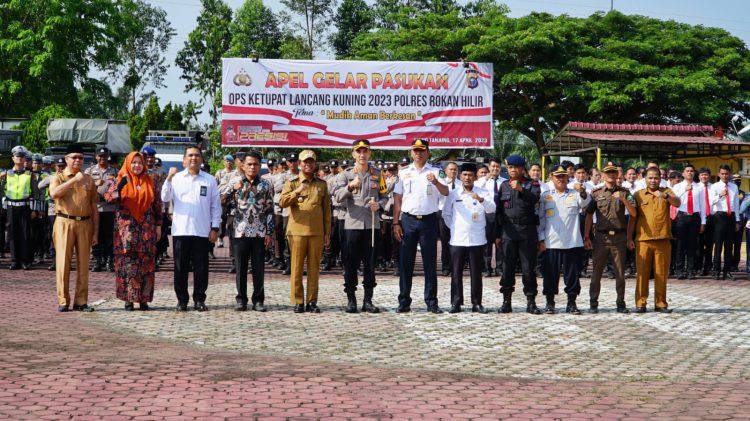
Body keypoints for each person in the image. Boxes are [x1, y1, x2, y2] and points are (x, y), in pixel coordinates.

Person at [161, 146, 221, 312]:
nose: (193, 158)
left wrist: (215, 227)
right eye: (190, 155)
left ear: (201, 159)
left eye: (196, 155)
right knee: (180, 268)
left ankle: (199, 299)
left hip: (202, 231)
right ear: (184, 160)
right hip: (181, 231)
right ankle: (182, 300)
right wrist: (169, 178)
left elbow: (215, 206)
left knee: (201, 268)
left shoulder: (209, 180)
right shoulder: (177, 178)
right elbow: (164, 197)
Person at [392, 139, 449, 314]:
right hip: (408, 220)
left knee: (430, 262)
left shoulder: (436, 171)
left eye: (421, 150)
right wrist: (396, 222)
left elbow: (446, 191)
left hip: (429, 221)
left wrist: (436, 183)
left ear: (427, 152)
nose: (418, 153)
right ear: (411, 153)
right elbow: (397, 198)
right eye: (415, 150)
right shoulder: (403, 172)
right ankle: (404, 301)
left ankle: (431, 301)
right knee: (405, 263)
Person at [103, 152, 163, 311]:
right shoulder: (121, 178)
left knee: (146, 264)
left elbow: (157, 204)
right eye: (134, 163)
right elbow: (109, 197)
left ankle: (144, 299)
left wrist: (158, 226)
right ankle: (128, 300)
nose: (137, 166)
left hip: (146, 230)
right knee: (127, 264)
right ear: (128, 163)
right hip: (126, 231)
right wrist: (121, 185)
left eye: (140, 163)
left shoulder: (150, 180)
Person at [334, 140, 388, 313]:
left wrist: (379, 205)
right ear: (353, 154)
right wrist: (350, 186)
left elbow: (385, 196)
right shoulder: (346, 175)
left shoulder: (378, 174)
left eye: (365, 151)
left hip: (372, 225)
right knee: (350, 264)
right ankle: (351, 299)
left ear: (370, 153)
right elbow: (337, 197)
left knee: (370, 264)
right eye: (359, 151)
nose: (362, 154)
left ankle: (368, 301)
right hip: (352, 224)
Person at [49, 144, 99, 312]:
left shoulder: (89, 179)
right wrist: (73, 180)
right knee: (63, 262)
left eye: (81, 157)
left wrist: (96, 231)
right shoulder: (58, 177)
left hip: (85, 223)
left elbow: (94, 206)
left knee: (84, 264)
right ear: (66, 159)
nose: (78, 160)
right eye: (74, 157)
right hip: (64, 222)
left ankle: (81, 301)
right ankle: (63, 300)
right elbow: (54, 194)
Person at [280, 150, 331, 313]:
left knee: (314, 268)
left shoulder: (322, 184)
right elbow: (282, 202)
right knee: (296, 267)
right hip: (296, 231)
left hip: (316, 232)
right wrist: (297, 191)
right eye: (305, 162)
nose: (308, 164)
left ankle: (312, 301)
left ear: (315, 164)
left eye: (311, 162)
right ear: (299, 164)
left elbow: (326, 211)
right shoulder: (292, 182)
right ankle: (298, 301)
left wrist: (327, 233)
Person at [222, 151, 274, 312]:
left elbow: (270, 209)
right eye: (249, 164)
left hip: (259, 231)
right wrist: (232, 190)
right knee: (240, 267)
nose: (252, 167)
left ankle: (258, 300)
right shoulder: (235, 182)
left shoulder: (266, 185)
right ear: (242, 165)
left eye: (256, 164)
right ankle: (241, 299)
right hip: (240, 231)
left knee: (259, 268)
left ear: (260, 166)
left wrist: (269, 232)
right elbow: (221, 200)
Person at [441, 162, 495, 313]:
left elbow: (492, 209)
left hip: (477, 238)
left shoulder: (483, 192)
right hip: (458, 238)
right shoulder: (453, 194)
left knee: (476, 273)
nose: (467, 178)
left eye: (470, 175)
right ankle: (456, 302)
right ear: (460, 176)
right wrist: (455, 228)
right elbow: (446, 214)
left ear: (475, 176)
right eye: (464, 175)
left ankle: (477, 303)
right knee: (456, 272)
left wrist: (481, 199)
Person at [539, 164, 590, 315]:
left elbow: (585, 203)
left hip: (572, 243)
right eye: (557, 176)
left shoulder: (575, 194)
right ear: (551, 178)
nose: (561, 179)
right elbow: (541, 220)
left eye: (563, 176)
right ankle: (549, 303)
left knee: (572, 276)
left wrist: (582, 191)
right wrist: (540, 239)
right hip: (551, 243)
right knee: (550, 275)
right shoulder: (546, 196)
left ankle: (572, 303)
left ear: (568, 177)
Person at [584, 164, 636, 314]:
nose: (611, 174)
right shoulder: (596, 193)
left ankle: (620, 302)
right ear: (603, 175)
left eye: (614, 172)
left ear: (618, 174)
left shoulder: (625, 192)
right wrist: (587, 236)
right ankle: (593, 303)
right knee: (597, 272)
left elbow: (633, 214)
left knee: (620, 273)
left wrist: (624, 200)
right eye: (608, 172)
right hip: (601, 237)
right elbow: (588, 215)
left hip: (619, 237)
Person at [494, 154, 542, 314]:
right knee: (507, 268)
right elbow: (499, 211)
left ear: (522, 169)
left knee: (528, 268)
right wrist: (497, 234)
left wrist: (521, 189)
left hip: (527, 232)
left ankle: (531, 301)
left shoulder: (531, 184)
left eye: (515, 167)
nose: (512, 170)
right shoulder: (503, 185)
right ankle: (506, 301)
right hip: (508, 232)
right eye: (509, 167)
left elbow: (535, 199)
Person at [629, 167, 680, 313]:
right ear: (644, 179)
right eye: (650, 178)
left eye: (656, 178)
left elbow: (677, 203)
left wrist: (664, 196)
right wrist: (629, 237)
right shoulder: (638, 195)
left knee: (661, 273)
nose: (653, 180)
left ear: (660, 179)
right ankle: (640, 303)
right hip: (643, 240)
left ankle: (661, 303)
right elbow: (633, 218)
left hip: (663, 239)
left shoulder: (667, 191)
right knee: (642, 273)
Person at [2, 146, 39, 270]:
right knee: (12, 234)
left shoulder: (30, 175)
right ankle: (14, 260)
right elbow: (2, 192)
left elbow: (35, 194)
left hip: (24, 207)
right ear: (13, 158)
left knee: (25, 233)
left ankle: (24, 260)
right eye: (17, 156)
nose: (19, 158)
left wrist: (34, 210)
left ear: (24, 159)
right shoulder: (6, 174)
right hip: (11, 207)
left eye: (22, 157)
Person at [85, 147, 118, 272]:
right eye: (100, 156)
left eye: (104, 156)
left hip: (110, 208)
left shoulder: (114, 170)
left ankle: (110, 260)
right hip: (95, 208)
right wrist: (95, 184)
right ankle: (97, 260)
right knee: (96, 235)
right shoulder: (90, 171)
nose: (102, 158)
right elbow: (84, 186)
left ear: (108, 156)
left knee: (110, 236)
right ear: (96, 156)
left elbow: (119, 186)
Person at [670, 164, 705, 279]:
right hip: (682, 217)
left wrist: (703, 222)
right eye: (687, 171)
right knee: (680, 245)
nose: (689, 173)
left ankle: (690, 270)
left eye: (691, 171)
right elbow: (673, 200)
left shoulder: (699, 187)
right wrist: (684, 190)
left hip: (694, 217)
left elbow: (702, 206)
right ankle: (679, 270)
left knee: (692, 245)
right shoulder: (678, 186)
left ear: (694, 173)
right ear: (683, 173)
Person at [709, 164, 740, 280]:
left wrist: (737, 220)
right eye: (722, 173)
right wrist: (720, 195)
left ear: (730, 174)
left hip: (731, 216)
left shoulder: (734, 187)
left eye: (727, 173)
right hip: (719, 216)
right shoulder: (715, 186)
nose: (725, 176)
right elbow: (711, 201)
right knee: (718, 245)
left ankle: (726, 270)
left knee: (729, 245)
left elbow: (736, 204)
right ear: (718, 174)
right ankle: (716, 270)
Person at [476, 157, 506, 277]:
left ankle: (499, 267)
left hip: (500, 215)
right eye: (493, 166)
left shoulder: (504, 181)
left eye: (497, 167)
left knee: (500, 242)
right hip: (486, 215)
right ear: (489, 167)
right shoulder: (481, 181)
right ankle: (486, 268)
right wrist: (485, 178)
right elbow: (476, 190)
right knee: (486, 243)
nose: (495, 168)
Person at [439, 162, 459, 276]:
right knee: (445, 242)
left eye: (455, 170)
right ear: (446, 171)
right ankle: (445, 266)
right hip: (442, 214)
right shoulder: (441, 183)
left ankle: (455, 266)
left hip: (457, 215)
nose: (453, 172)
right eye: (451, 169)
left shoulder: (461, 184)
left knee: (456, 242)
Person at [696, 167, 714, 275]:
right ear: (699, 176)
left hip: (712, 218)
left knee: (709, 244)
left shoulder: (714, 187)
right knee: (698, 244)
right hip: (698, 218)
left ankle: (707, 267)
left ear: (709, 176)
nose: (704, 176)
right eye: (702, 174)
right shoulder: (695, 187)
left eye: (706, 175)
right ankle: (698, 266)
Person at [215, 155, 234, 248]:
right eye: (227, 161)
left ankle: (232, 240)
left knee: (232, 220)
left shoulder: (236, 173)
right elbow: (215, 186)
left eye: (230, 161)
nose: (229, 163)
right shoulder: (219, 173)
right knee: (222, 219)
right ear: (224, 162)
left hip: (233, 199)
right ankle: (220, 238)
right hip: (222, 199)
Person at [730, 174, 746, 272]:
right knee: (728, 244)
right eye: (735, 180)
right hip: (729, 221)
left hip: (739, 222)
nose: (737, 182)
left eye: (739, 180)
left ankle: (735, 264)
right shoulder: (729, 192)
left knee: (737, 244)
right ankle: (728, 264)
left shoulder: (743, 194)